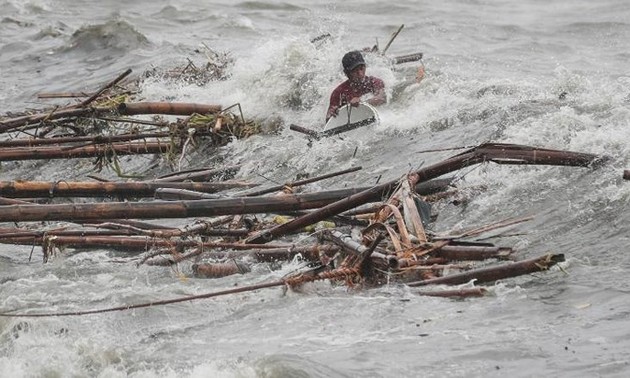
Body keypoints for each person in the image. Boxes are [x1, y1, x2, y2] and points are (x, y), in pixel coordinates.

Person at [325, 50, 386, 122]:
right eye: (355, 71)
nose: (360, 74)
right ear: (346, 73)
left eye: (361, 68)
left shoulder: (375, 82)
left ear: (365, 66)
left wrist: (361, 103)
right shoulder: (339, 92)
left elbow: (381, 98)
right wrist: (331, 114)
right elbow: (328, 119)